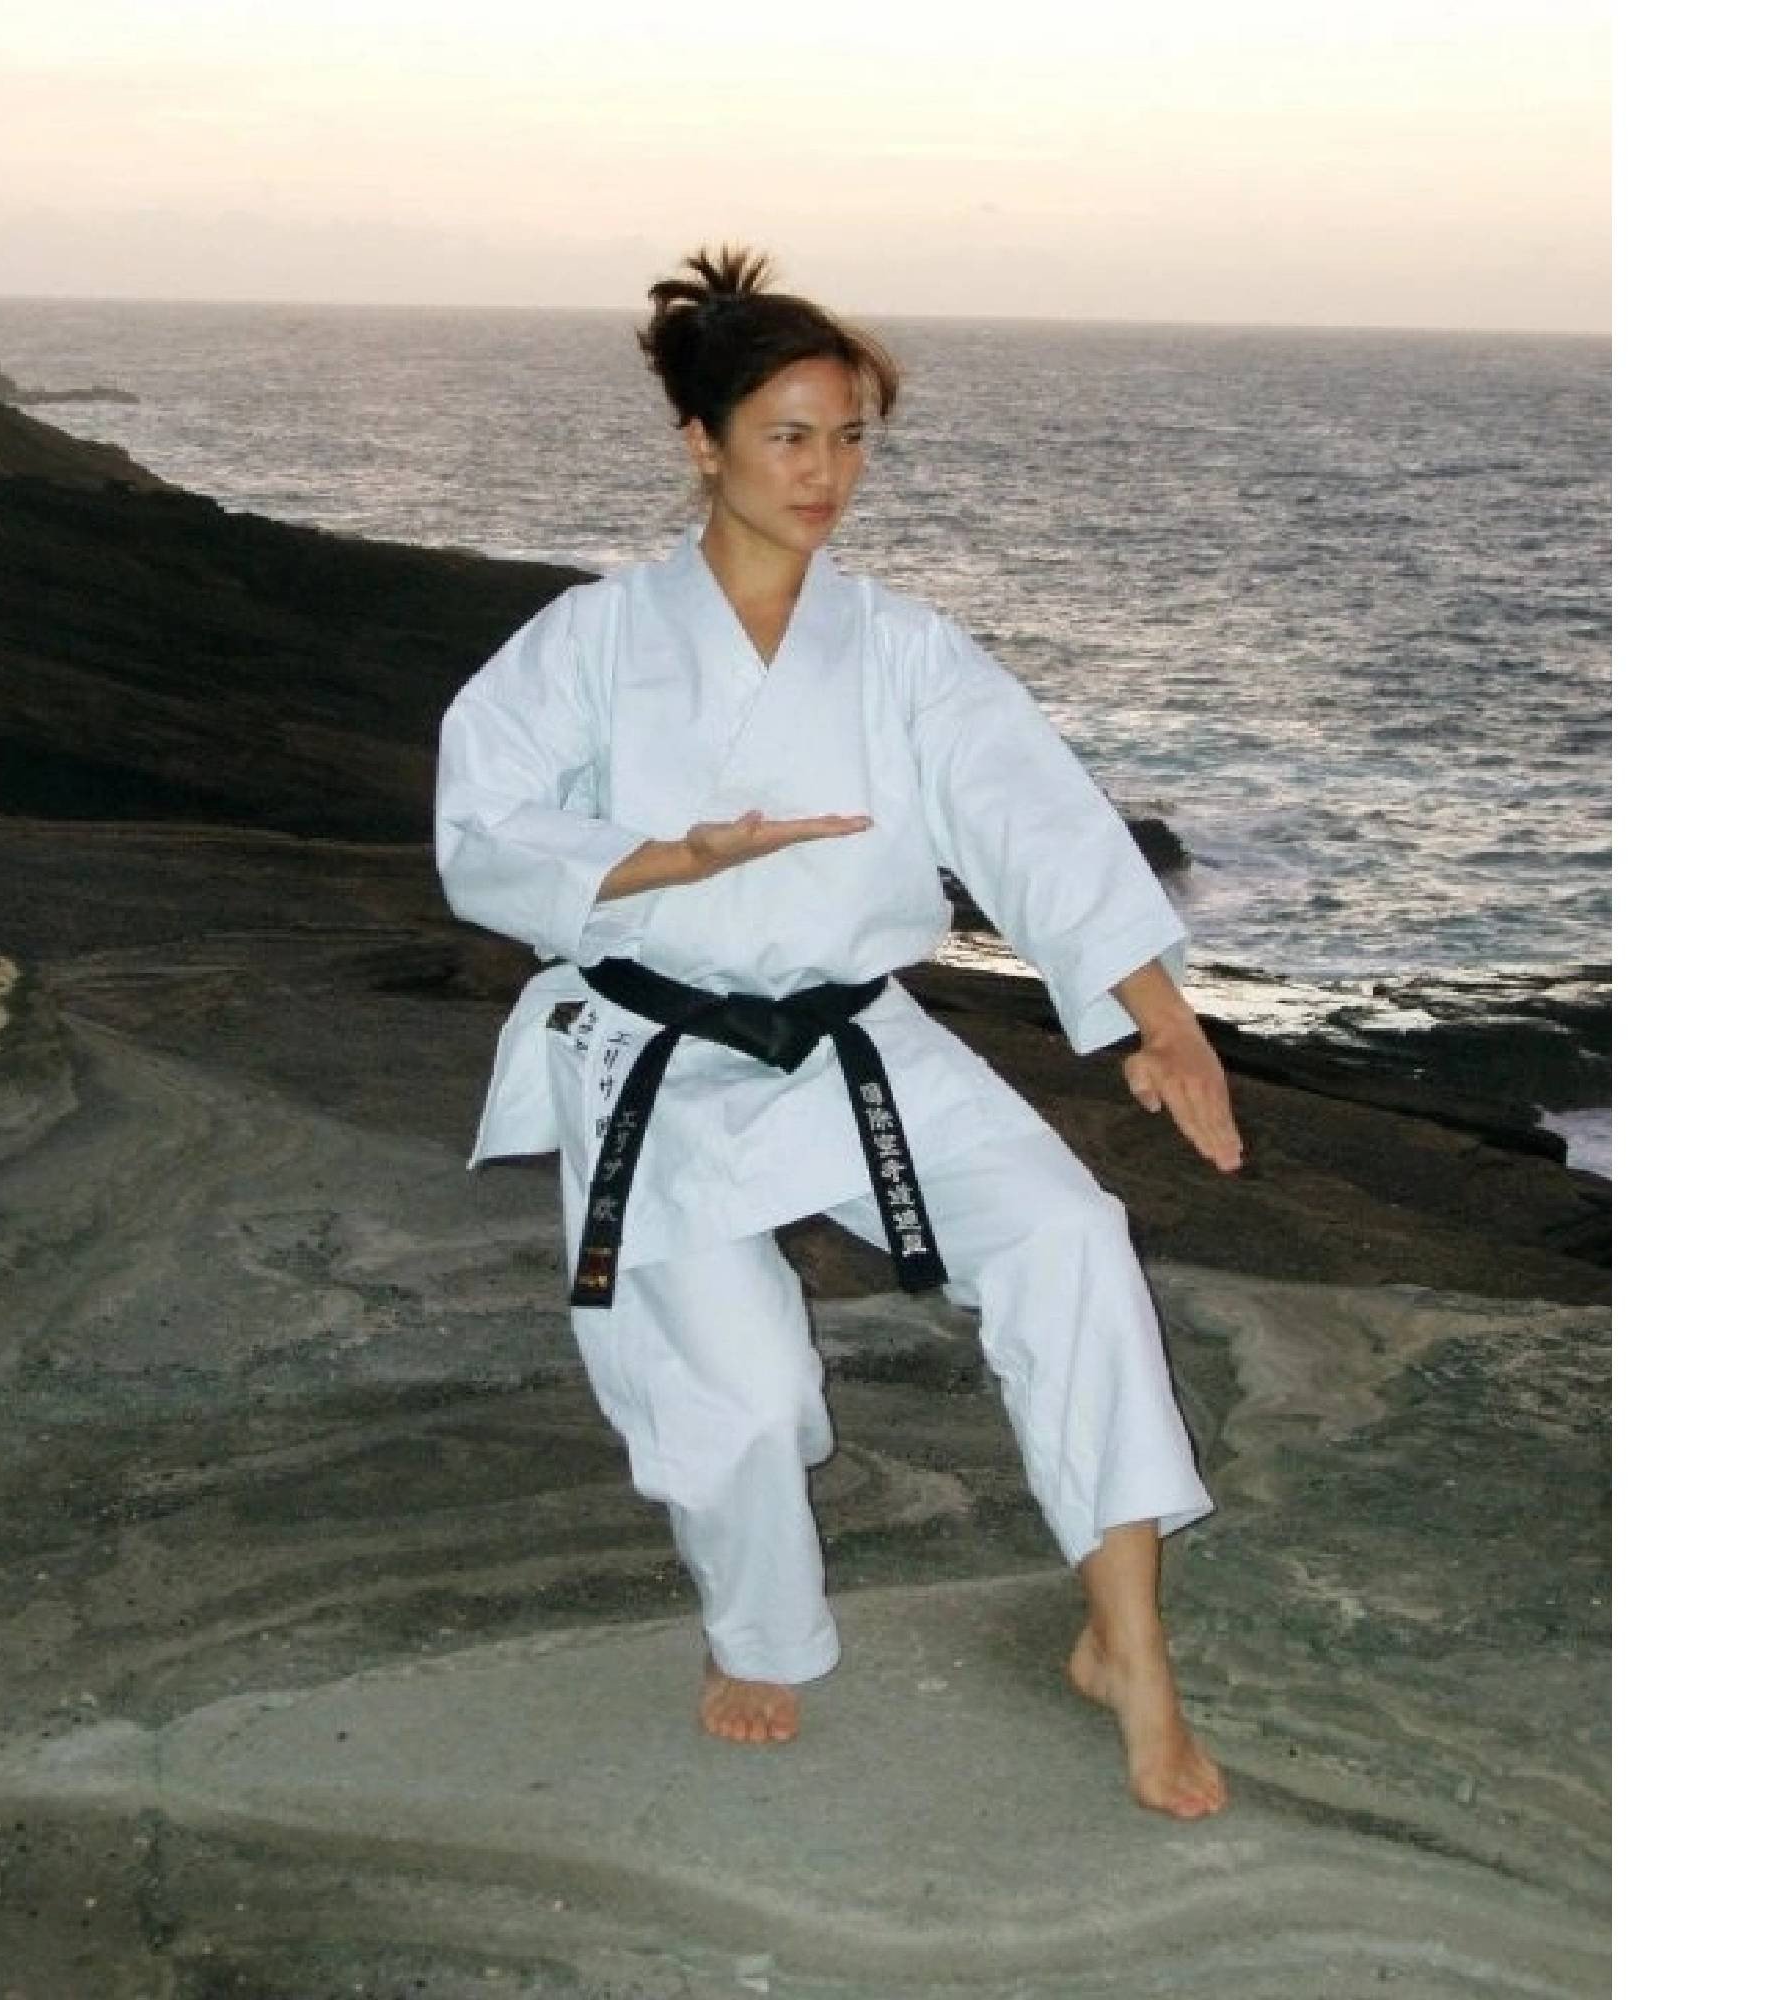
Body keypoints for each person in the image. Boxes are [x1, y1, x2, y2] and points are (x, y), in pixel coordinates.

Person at [434, 246, 1242, 1820]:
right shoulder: (593, 641)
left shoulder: (901, 649)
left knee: (1070, 1236)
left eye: (852, 438)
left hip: (854, 1039)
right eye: (790, 436)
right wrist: (666, 859)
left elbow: (1032, 820)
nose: (827, 473)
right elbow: (480, 825)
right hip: (656, 1056)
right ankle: (756, 1634)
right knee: (738, 1395)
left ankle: (1129, 1650)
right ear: (703, 444)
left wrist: (1161, 1017)